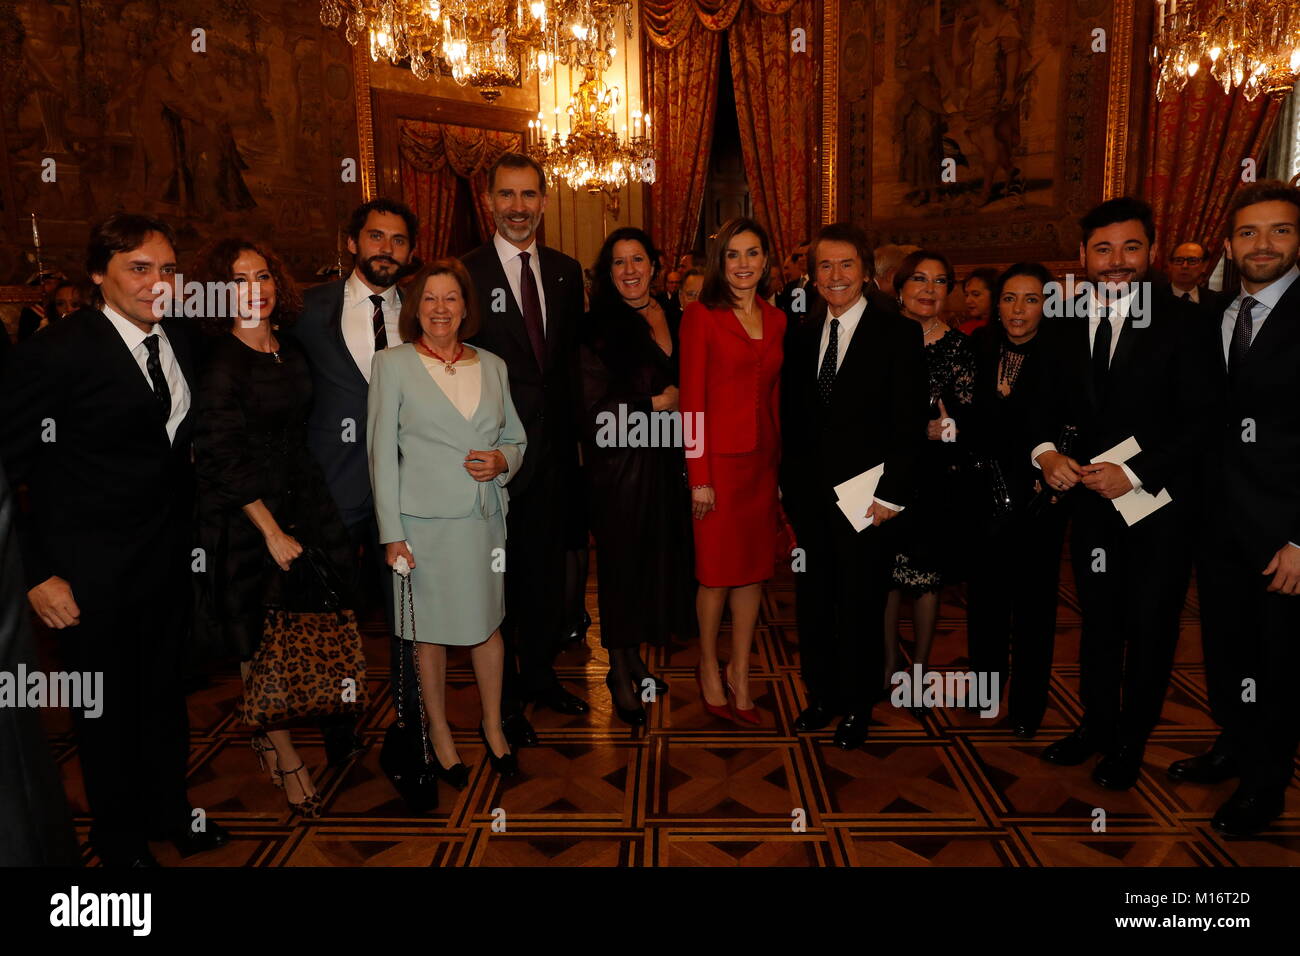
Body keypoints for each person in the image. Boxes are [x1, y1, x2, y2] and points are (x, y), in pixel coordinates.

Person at [0, 213, 230, 866]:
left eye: (167, 268)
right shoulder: (57, 352)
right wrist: (37, 574)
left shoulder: (181, 337)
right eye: (139, 267)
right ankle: (120, 840)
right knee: (105, 715)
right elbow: (9, 470)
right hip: (86, 575)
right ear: (100, 274)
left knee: (164, 701)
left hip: (165, 563)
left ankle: (171, 814)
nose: (158, 281)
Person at [1027, 197, 1212, 789]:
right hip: (1089, 510)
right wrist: (1047, 453)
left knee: (1152, 628)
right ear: (1083, 256)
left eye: (1130, 247)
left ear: (1151, 251)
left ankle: (1131, 742)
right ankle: (1096, 727)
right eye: (1103, 249)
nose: (1117, 261)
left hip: (1158, 508)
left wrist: (1135, 474)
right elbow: (1038, 409)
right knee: (1099, 623)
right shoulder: (1060, 323)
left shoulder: (1186, 323)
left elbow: (1203, 423)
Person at [190, 238, 358, 816]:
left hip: (302, 499)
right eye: (239, 280)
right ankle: (286, 756)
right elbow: (219, 456)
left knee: (305, 628)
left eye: (262, 276)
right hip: (247, 517)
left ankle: (270, 733)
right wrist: (269, 530)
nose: (255, 289)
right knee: (257, 638)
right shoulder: (221, 363)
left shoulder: (287, 347)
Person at [369, 259, 526, 780]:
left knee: (488, 628)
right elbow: (380, 457)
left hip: (483, 521)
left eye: (451, 298)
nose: (440, 308)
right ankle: (438, 732)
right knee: (427, 634)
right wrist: (392, 534)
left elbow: (516, 439)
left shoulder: (494, 365)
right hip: (421, 527)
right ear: (416, 308)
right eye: (430, 298)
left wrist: (504, 460)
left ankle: (493, 723)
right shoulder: (391, 365)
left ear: (465, 308)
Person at [1175, 181, 1300, 835]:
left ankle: (1266, 781)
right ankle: (1232, 742)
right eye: (1249, 233)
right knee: (1226, 649)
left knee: (1280, 661)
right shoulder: (1213, 317)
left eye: (1279, 231)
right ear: (1229, 246)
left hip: (1284, 537)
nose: (1262, 245)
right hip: (1215, 524)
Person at [780, 223, 927, 748]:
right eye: (825, 266)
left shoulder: (898, 334)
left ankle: (858, 706)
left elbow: (910, 426)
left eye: (846, 265)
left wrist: (891, 495)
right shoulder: (798, 336)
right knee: (814, 600)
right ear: (812, 275)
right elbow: (793, 420)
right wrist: (788, 490)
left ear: (866, 272)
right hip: (809, 500)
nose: (835, 276)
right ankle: (823, 696)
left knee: (862, 604)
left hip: (870, 502)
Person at [461, 153, 588, 749]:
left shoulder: (566, 273)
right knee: (496, 583)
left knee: (542, 579)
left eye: (529, 195)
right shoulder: (465, 273)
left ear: (544, 199)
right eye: (507, 195)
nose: (518, 207)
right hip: (493, 459)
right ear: (489, 200)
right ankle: (502, 700)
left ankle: (540, 676)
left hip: (555, 457)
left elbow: (566, 369)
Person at [293, 197, 418, 762]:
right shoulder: (306, 309)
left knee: (407, 608)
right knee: (333, 612)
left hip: (409, 488)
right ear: (352, 242)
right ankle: (338, 724)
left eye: (396, 241)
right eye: (375, 237)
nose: (385, 249)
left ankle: (411, 714)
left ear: (409, 252)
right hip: (334, 488)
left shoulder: (424, 310)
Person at [579, 228, 695, 726]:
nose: (629, 270)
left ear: (654, 264)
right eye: (619, 263)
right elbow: (591, 411)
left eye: (638, 260)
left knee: (654, 564)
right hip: (620, 467)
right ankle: (617, 670)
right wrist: (654, 404)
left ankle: (636, 659)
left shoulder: (678, 316)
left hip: (669, 462)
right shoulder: (595, 328)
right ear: (609, 274)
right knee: (623, 567)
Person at [680, 217, 786, 725]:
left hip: (762, 466)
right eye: (733, 255)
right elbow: (692, 405)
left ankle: (740, 672)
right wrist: (698, 476)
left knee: (753, 574)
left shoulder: (778, 318)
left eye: (752, 254)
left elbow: (776, 398)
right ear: (720, 265)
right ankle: (707, 666)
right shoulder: (701, 317)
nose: (743, 264)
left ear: (766, 261)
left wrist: (782, 468)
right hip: (717, 468)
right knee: (717, 575)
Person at [964, 262, 1066, 738]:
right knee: (984, 603)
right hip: (983, 496)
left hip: (1038, 500)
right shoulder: (978, 348)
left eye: (1030, 299)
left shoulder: (1065, 353)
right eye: (1009, 298)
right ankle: (986, 693)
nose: (1018, 309)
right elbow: (962, 420)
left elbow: (1077, 422)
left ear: (1047, 304)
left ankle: (1027, 706)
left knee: (1034, 608)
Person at [883, 250, 976, 714]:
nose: (928, 289)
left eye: (939, 281)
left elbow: (969, 420)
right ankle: (883, 669)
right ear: (899, 286)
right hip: (880, 475)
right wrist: (916, 429)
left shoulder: (959, 347)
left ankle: (917, 672)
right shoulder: (876, 338)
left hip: (936, 478)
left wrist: (948, 429)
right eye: (919, 279)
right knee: (884, 577)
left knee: (925, 578)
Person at [957, 266, 999, 335]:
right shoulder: (964, 328)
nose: (967, 301)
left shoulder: (1006, 327)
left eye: (976, 294)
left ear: (994, 294)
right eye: (966, 295)